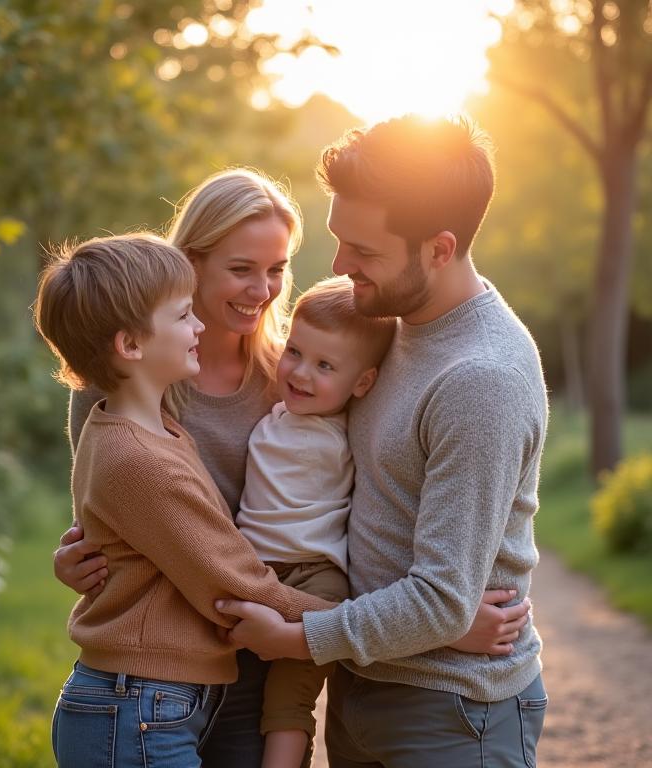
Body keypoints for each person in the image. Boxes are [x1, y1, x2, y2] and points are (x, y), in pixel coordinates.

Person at [53, 167, 532, 767]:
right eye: (241, 269)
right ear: (190, 262)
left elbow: (363, 505)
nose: (262, 289)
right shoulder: (124, 381)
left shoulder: (292, 379)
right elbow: (110, 512)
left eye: (277, 269)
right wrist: (76, 555)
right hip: (169, 653)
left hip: (260, 644)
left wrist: (429, 619)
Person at [216, 115, 550, 768]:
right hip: (364, 688)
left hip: (451, 710)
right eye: (342, 241)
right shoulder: (382, 328)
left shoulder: (480, 378)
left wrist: (297, 638)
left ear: (439, 248)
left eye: (363, 251)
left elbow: (440, 601)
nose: (341, 266)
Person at [33, 232, 332, 768]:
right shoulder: (139, 460)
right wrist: (373, 628)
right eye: (182, 316)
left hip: (156, 702)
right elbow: (238, 582)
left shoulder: (158, 430)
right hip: (136, 708)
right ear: (130, 345)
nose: (198, 326)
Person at [236, 275, 396, 768]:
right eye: (295, 352)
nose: (302, 373)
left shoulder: (351, 429)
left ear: (362, 383)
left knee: (289, 699)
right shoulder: (274, 409)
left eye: (325, 365)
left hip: (316, 578)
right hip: (253, 569)